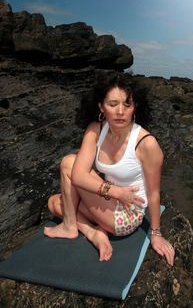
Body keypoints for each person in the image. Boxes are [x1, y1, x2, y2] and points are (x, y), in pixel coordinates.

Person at [44, 73, 175, 266]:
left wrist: (155, 234)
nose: (120, 111)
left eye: (127, 104)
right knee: (54, 203)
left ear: (134, 107)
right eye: (113, 104)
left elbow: (154, 194)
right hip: (110, 196)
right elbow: (79, 176)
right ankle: (93, 232)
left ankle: (72, 226)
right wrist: (116, 191)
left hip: (127, 214)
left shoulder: (146, 144)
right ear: (101, 107)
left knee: (68, 163)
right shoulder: (96, 129)